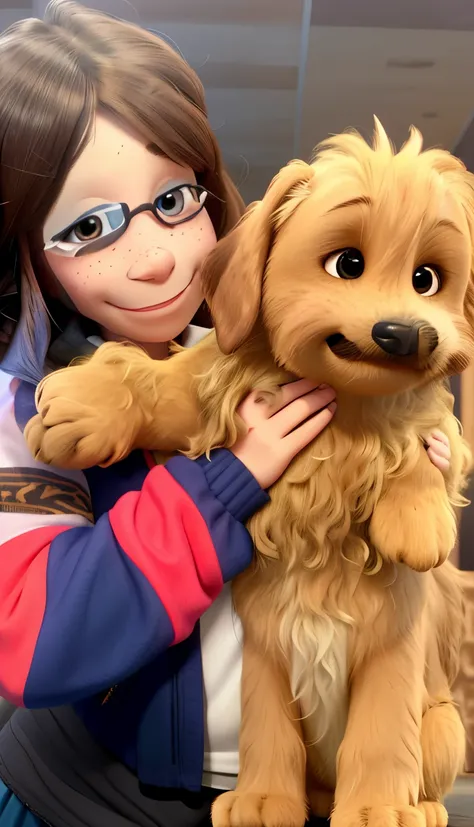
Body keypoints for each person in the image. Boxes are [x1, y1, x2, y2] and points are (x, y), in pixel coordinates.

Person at [0, 3, 451, 826]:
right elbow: (37, 637)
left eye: (176, 197)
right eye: (90, 226)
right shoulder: (26, 408)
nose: (160, 256)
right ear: (26, 249)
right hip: (91, 796)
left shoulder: (267, 356)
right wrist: (229, 480)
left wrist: (413, 466)